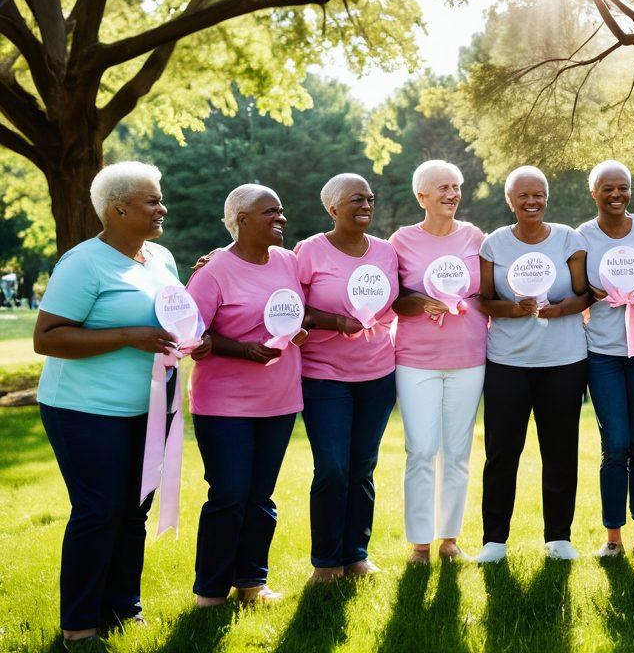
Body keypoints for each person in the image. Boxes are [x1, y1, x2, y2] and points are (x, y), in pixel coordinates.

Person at [34, 162, 209, 642]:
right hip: (84, 411)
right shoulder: (83, 263)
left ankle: (122, 610)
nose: (162, 208)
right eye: (152, 200)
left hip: (149, 409)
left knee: (134, 510)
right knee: (99, 510)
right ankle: (80, 626)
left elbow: (170, 318)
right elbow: (46, 338)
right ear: (119, 208)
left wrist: (190, 337)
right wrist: (127, 336)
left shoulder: (161, 258)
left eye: (160, 198)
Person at [187, 184, 305, 606]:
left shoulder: (288, 261)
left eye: (281, 210)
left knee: (260, 497)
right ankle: (210, 593)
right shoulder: (214, 271)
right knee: (229, 494)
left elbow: (298, 308)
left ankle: (252, 584)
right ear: (241, 221)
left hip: (280, 398)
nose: (281, 218)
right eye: (270, 212)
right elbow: (189, 333)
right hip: (225, 404)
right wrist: (242, 349)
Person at [475, 166, 591, 563]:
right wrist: (514, 308)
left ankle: (558, 537)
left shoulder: (568, 239)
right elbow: (484, 300)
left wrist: (557, 312)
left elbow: (584, 294)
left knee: (560, 450)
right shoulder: (494, 244)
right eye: (523, 196)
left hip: (564, 360)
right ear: (510, 201)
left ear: (547, 197)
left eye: (538, 194)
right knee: (502, 451)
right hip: (508, 361)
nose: (532, 202)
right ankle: (494, 540)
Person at [294, 174, 399, 581]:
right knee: (333, 467)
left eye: (370, 198)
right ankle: (326, 562)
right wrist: (334, 320)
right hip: (324, 375)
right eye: (357, 199)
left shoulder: (387, 252)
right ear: (333, 209)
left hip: (377, 373)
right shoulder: (309, 252)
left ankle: (356, 554)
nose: (366, 205)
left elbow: (395, 299)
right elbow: (289, 306)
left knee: (362, 467)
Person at [391, 160, 487, 564]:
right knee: (422, 449)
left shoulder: (474, 236)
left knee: (458, 451)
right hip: (416, 360)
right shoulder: (401, 241)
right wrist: (421, 302)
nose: (452, 194)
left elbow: (487, 293)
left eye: (456, 187)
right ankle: (419, 543)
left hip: (469, 357)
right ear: (421, 197)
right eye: (443, 188)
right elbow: (393, 297)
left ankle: (449, 540)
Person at [578, 160, 634, 558]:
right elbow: (577, 289)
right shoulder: (582, 236)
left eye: (623, 188)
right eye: (607, 188)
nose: (616, 195)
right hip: (602, 353)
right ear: (593, 192)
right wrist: (592, 293)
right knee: (614, 444)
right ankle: (612, 539)